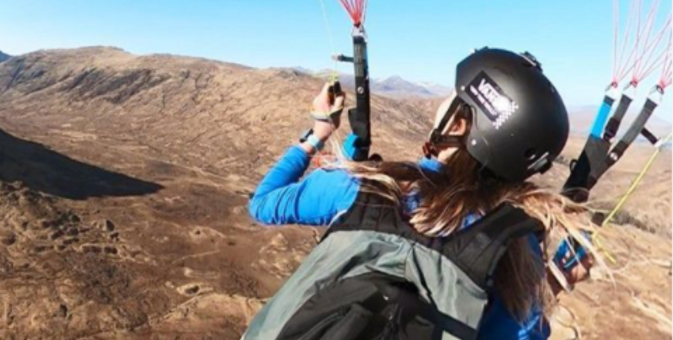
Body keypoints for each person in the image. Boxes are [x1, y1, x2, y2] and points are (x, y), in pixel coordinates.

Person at [243, 48, 596, 340]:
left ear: (459, 125)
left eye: (454, 98)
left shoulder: (362, 187)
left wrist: (317, 134)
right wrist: (552, 283)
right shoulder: (515, 251)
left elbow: (262, 204)